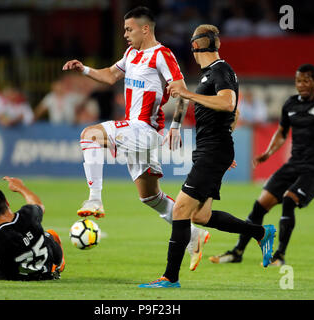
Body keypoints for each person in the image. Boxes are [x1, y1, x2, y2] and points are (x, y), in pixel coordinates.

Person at [62, 6, 210, 271]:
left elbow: (183, 90)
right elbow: (109, 75)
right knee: (150, 197)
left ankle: (94, 198)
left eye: (129, 29)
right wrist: (83, 69)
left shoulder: (162, 55)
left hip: (145, 130)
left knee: (90, 135)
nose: (125, 34)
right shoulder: (131, 54)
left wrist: (176, 125)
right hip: (134, 131)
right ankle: (194, 236)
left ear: (145, 29)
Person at [139, 24, 276, 288]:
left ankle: (170, 277)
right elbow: (225, 111)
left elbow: (229, 103)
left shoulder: (222, 70)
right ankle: (260, 232)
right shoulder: (207, 75)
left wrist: (221, 147)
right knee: (200, 216)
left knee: (179, 209)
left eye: (192, 42)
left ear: (196, 46)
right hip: (213, 149)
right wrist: (181, 126)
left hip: (213, 150)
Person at [210, 64, 314, 266]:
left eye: (305, 81)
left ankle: (280, 256)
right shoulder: (291, 104)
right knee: (259, 206)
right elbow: (282, 132)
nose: (301, 85)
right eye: (298, 81)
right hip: (293, 165)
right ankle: (237, 252)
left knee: (289, 200)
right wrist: (268, 153)